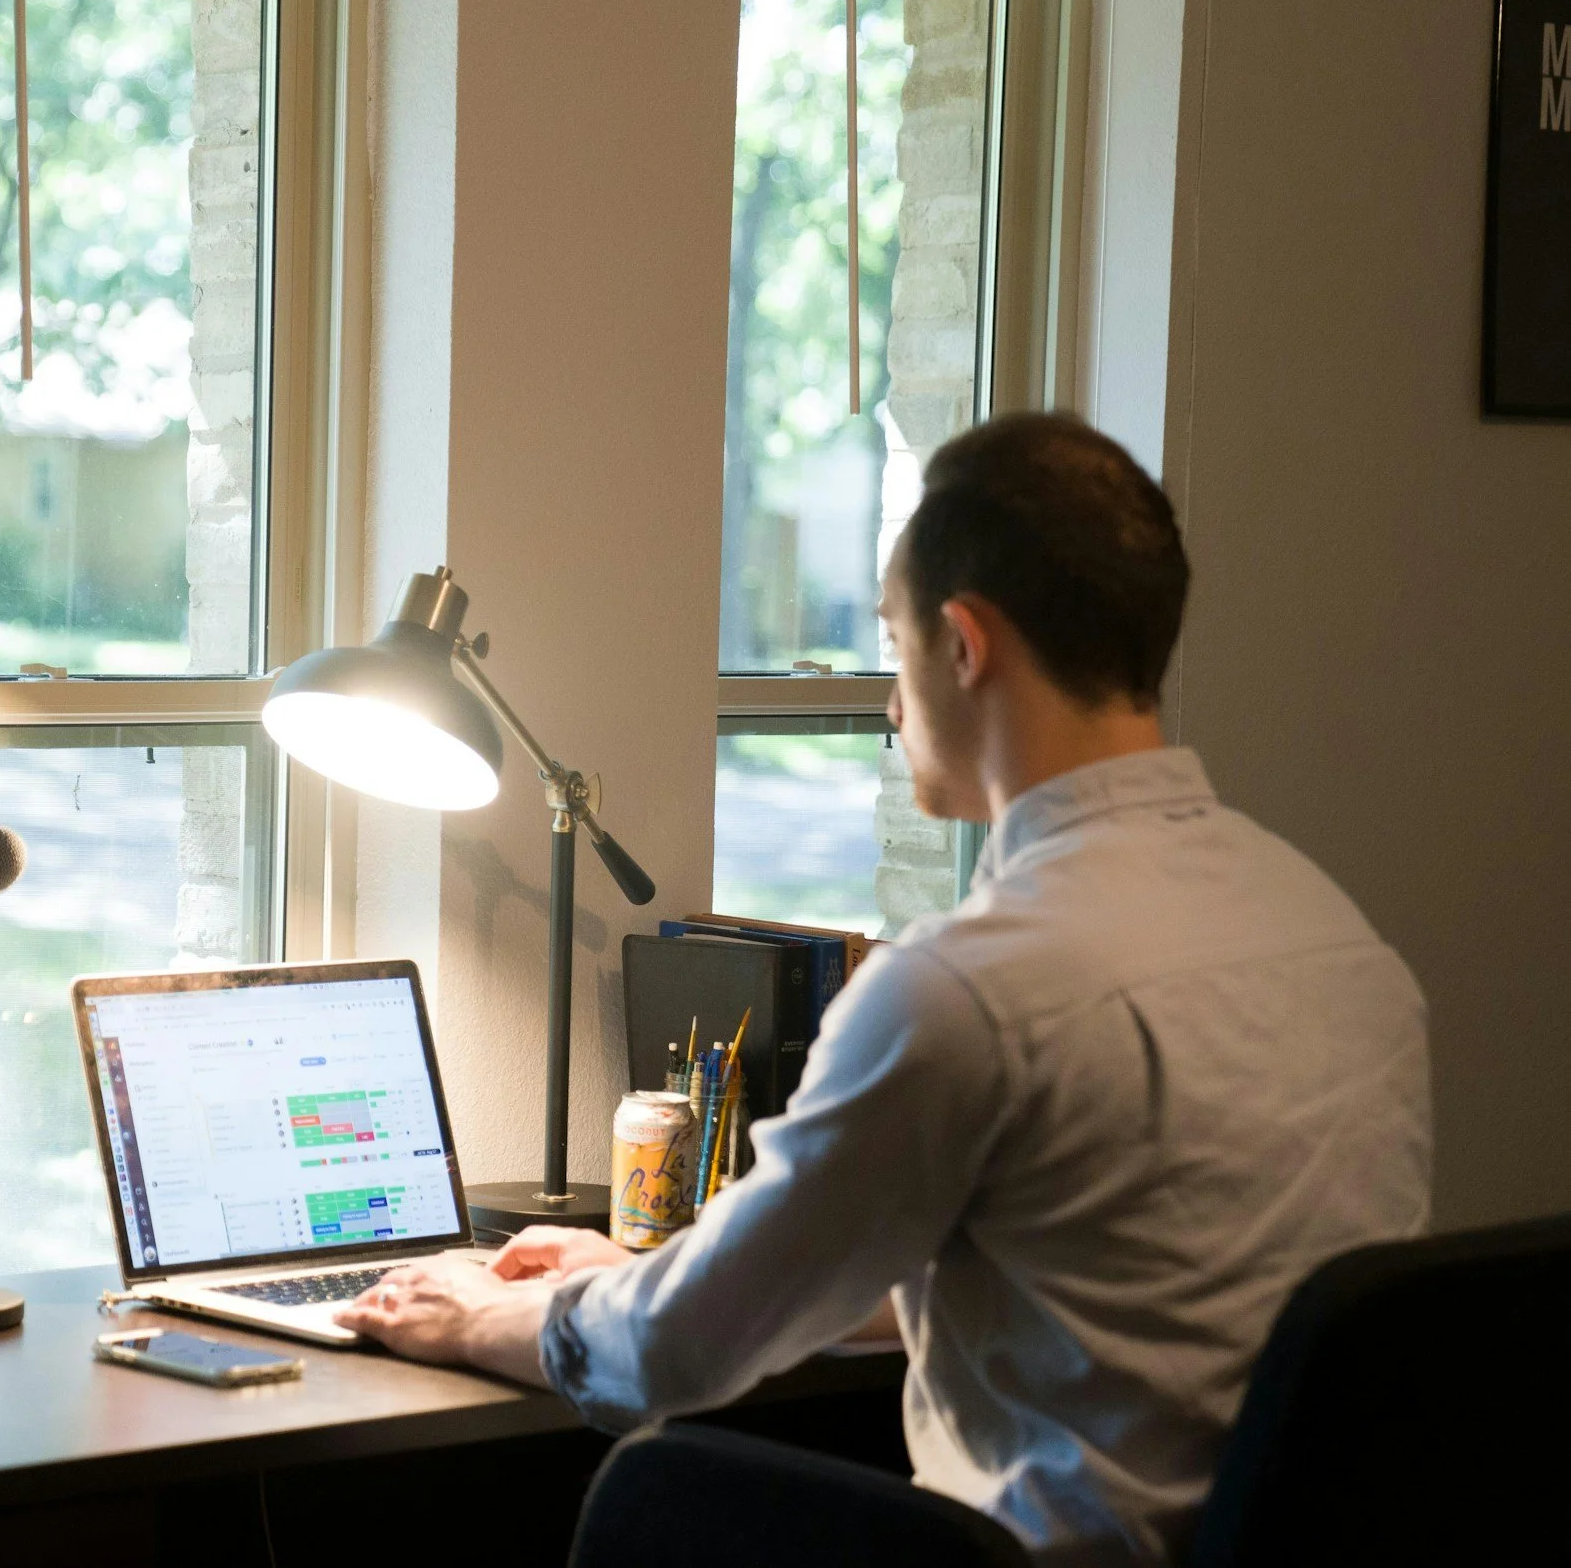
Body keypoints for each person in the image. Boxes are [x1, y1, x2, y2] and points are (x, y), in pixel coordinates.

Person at [337, 412, 1430, 1567]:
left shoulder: (969, 990)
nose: (889, 703)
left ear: (962, 644)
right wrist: (668, 1270)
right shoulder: (1338, 939)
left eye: (894, 644)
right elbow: (1079, 1279)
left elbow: (671, 1358)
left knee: (652, 1500)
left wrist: (470, 1313)